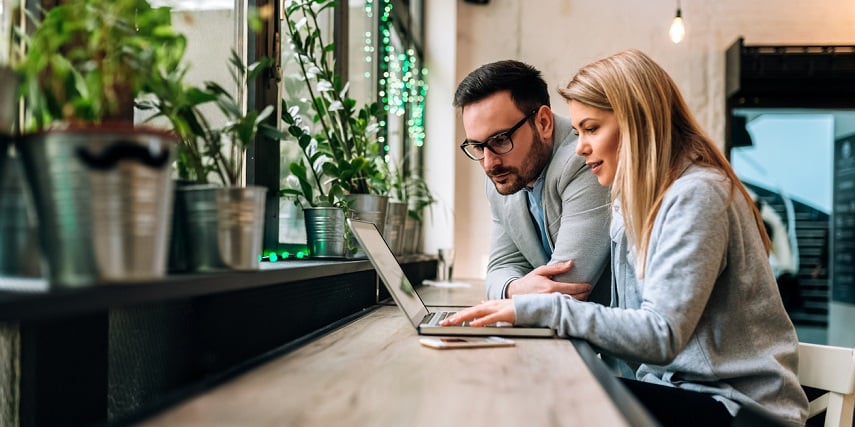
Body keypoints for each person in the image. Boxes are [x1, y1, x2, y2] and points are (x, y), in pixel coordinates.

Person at [443, 50, 809, 426]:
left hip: (739, 408)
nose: (580, 145)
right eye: (580, 130)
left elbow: (661, 334)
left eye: (592, 128)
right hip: (681, 390)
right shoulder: (633, 203)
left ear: (638, 123)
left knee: (547, 398)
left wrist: (535, 306)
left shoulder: (697, 194)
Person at [454, 60, 612, 303]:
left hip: (604, 333)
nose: (489, 163)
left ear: (543, 123)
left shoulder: (586, 160)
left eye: (500, 139)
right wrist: (513, 288)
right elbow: (500, 267)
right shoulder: (505, 175)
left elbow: (566, 287)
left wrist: (514, 291)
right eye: (477, 146)